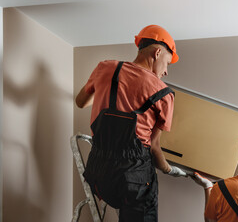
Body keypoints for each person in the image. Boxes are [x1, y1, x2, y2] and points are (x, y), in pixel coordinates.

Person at [75, 24, 187, 222]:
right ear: (158, 52)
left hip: (98, 174)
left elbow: (81, 101)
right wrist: (170, 169)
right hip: (133, 179)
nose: (166, 72)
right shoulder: (165, 94)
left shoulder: (105, 68)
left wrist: (105, 90)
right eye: (167, 63)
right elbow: (154, 148)